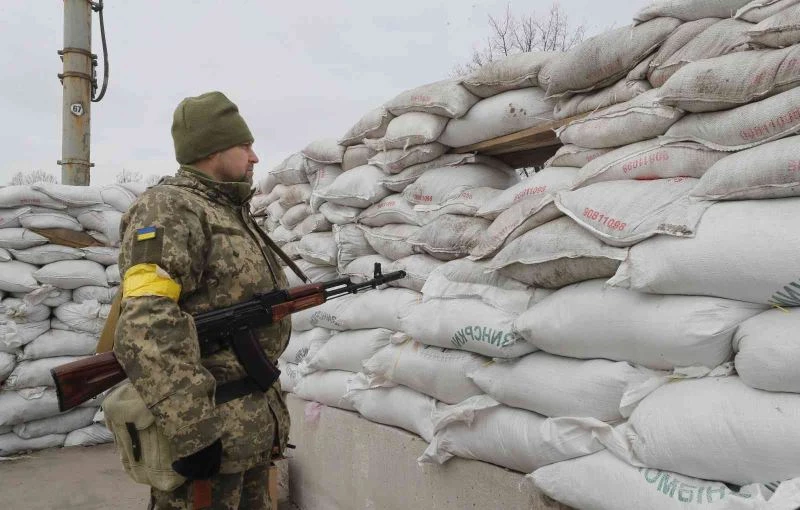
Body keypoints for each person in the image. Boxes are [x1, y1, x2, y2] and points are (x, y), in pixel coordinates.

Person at [113, 91, 293, 509]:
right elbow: (146, 324)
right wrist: (192, 431)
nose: (254, 157)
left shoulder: (228, 210)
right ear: (213, 149)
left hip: (247, 432)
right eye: (244, 145)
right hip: (209, 434)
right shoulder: (169, 209)